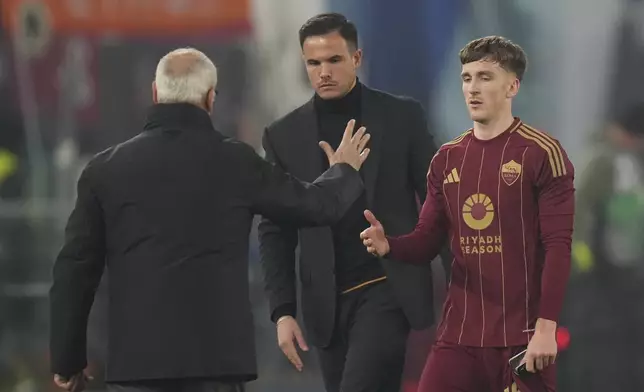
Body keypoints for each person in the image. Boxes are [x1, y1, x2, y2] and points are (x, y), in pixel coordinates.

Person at [49, 47, 371, 392]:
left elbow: (74, 272)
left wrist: (68, 362)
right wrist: (344, 170)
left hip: (137, 368)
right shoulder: (237, 163)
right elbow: (316, 206)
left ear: (155, 93)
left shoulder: (104, 171)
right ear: (210, 98)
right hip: (218, 368)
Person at [360, 36, 575, 392]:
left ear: (512, 86)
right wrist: (389, 246)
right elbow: (427, 240)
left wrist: (546, 328)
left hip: (521, 339)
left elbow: (557, 246)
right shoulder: (447, 159)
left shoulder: (542, 153)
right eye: (466, 77)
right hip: (459, 339)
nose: (472, 88)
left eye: (485, 77)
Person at [257, 13, 442, 392]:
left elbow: (440, 200)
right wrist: (282, 311)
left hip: (388, 288)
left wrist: (463, 287)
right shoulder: (283, 136)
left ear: (357, 58)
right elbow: (275, 229)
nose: (323, 71)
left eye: (334, 60)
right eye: (313, 63)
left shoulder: (401, 116)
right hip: (325, 304)